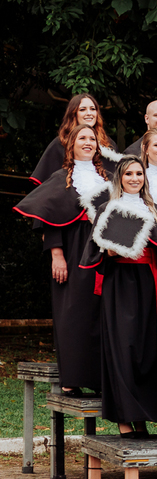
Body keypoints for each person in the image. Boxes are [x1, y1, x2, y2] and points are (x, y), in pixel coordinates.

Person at [14, 124, 109, 396]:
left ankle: (99, 379)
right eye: (82, 138)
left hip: (104, 251)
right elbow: (49, 216)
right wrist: (56, 254)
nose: (88, 142)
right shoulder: (60, 178)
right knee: (72, 313)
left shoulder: (109, 178)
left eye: (92, 139)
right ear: (71, 144)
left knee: (101, 312)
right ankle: (72, 379)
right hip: (72, 250)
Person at [79, 157, 157, 437]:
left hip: (148, 282)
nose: (134, 178)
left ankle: (141, 416)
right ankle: (124, 418)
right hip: (119, 282)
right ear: (119, 177)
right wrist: (107, 250)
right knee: (122, 347)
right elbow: (94, 251)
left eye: (139, 173)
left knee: (144, 349)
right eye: (129, 173)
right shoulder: (107, 209)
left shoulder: (154, 210)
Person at [31, 93, 121, 184]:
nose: (89, 113)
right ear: (74, 114)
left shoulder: (108, 144)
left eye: (93, 109)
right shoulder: (60, 143)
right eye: (82, 109)